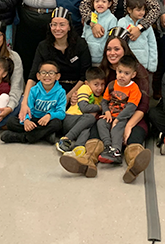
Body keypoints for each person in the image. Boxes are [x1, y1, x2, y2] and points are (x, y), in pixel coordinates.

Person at [59, 31, 152, 182]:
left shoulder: (137, 72)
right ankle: (87, 161)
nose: (112, 53)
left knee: (132, 136)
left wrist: (127, 125)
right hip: (108, 114)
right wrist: (78, 96)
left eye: (117, 49)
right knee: (96, 130)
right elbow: (95, 92)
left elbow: (142, 106)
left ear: (125, 49)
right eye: (109, 49)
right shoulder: (104, 70)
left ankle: (134, 164)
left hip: (133, 116)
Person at [23, 7, 91, 108]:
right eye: (54, 25)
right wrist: (24, 103)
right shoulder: (43, 46)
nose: (57, 29)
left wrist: (67, 97)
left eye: (62, 25)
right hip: (49, 90)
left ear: (69, 27)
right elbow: (33, 76)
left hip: (74, 91)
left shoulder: (80, 44)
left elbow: (84, 75)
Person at [1, 61, 66, 144]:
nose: (47, 75)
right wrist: (26, 121)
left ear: (57, 76)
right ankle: (45, 135)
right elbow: (28, 108)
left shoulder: (61, 92)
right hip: (33, 120)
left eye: (51, 73)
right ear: (38, 76)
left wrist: (49, 116)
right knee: (11, 121)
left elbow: (61, 113)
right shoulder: (33, 90)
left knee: (57, 124)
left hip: (47, 121)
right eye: (43, 73)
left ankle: (22, 137)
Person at [97, 55, 142, 164]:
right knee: (101, 123)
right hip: (110, 115)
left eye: (126, 73)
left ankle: (116, 151)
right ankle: (108, 147)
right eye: (120, 72)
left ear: (133, 74)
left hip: (123, 117)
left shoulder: (134, 88)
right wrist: (106, 111)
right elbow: (104, 101)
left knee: (117, 128)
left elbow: (131, 107)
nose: (122, 76)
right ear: (116, 70)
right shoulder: (112, 84)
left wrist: (118, 119)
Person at [57, 67, 106, 155]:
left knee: (87, 128)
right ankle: (67, 138)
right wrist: (100, 108)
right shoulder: (85, 88)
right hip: (70, 118)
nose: (100, 88)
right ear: (87, 83)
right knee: (90, 118)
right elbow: (84, 108)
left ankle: (77, 148)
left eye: (102, 84)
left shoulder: (100, 98)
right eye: (96, 84)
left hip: (81, 123)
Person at [117, 0, 157, 73]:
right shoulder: (122, 22)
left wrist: (152, 65)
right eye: (138, 10)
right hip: (127, 66)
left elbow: (152, 45)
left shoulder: (147, 25)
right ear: (129, 10)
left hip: (144, 66)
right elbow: (119, 43)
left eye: (143, 10)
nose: (142, 12)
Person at [82, 0, 118, 66]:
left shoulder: (112, 19)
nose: (100, 4)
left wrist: (103, 50)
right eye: (97, 1)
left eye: (104, 1)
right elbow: (84, 34)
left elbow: (111, 39)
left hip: (101, 59)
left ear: (109, 4)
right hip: (87, 57)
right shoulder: (90, 18)